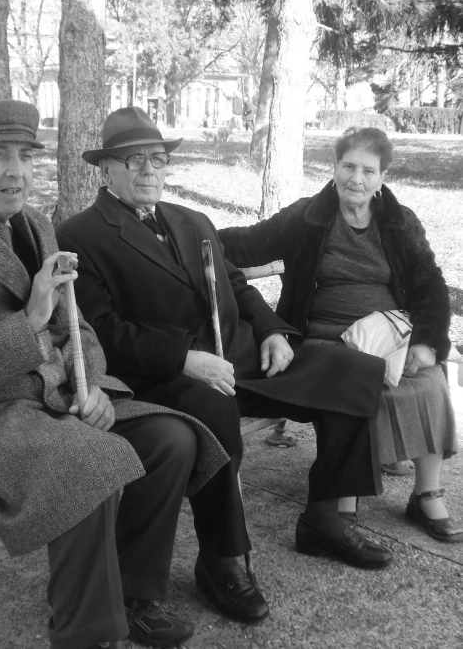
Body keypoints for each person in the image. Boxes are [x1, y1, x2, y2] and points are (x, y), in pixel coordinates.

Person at [0, 100, 230, 649]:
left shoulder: (34, 225)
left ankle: (134, 596)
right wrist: (29, 321)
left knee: (172, 439)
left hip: (55, 398)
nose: (17, 171)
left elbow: (77, 328)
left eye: (25, 156)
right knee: (87, 463)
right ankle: (84, 633)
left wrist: (96, 388)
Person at [56, 106, 395, 600]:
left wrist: (274, 331)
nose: (149, 170)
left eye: (157, 159)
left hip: (245, 359)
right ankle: (222, 559)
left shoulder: (192, 220)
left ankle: (326, 519)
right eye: (132, 161)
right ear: (105, 169)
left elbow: (237, 286)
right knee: (213, 410)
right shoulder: (80, 236)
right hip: (172, 377)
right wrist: (184, 360)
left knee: (351, 369)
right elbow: (102, 331)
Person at [219, 126, 462, 544]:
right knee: (357, 379)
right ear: (334, 168)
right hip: (323, 338)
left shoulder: (400, 223)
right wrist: (187, 235)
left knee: (431, 379)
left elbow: (429, 285)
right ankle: (342, 495)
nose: (357, 179)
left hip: (388, 337)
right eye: (348, 166)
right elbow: (244, 244)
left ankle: (426, 495)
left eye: (369, 170)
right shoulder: (307, 218)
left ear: (382, 176)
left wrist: (426, 341)